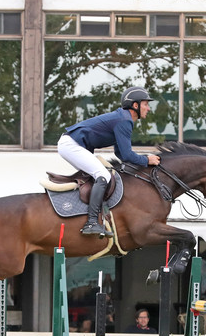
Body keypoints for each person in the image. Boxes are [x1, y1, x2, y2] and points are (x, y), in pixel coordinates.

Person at [57, 86, 161, 237]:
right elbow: (126, 154)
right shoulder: (124, 120)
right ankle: (91, 222)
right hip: (71, 145)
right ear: (135, 105)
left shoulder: (123, 118)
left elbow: (120, 153)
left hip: (72, 144)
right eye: (146, 104)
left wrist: (142, 160)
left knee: (99, 175)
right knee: (103, 176)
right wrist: (146, 160)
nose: (148, 108)